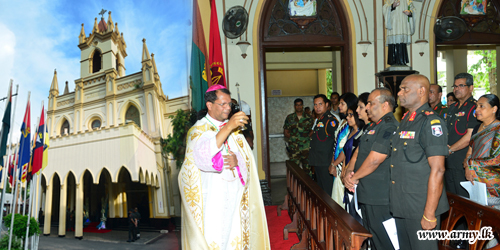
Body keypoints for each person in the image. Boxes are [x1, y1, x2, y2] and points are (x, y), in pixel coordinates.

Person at [178, 84, 270, 249]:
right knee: (216, 238)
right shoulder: (198, 130)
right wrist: (228, 127)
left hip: (235, 195)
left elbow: (246, 160)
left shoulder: (235, 131)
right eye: (223, 104)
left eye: (230, 104)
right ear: (209, 105)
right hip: (213, 198)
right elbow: (203, 158)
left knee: (234, 237)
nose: (228, 108)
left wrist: (237, 161)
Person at [390, 74, 449, 250]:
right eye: (400, 89)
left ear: (421, 91)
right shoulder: (407, 119)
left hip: (421, 206)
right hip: (402, 204)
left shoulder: (431, 122)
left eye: (404, 89)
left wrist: (429, 213)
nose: (399, 93)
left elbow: (438, 170)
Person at [343, 88, 398, 250]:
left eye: (371, 103)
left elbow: (375, 159)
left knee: (384, 241)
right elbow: (359, 152)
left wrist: (353, 178)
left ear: (385, 105)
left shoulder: (389, 126)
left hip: (380, 196)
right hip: (368, 193)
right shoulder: (374, 126)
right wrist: (349, 172)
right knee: (372, 239)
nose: (367, 108)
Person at [446, 73, 479, 198]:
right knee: (452, 200)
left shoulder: (474, 107)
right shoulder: (452, 107)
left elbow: (469, 137)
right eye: (454, 86)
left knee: (465, 201)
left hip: (462, 163)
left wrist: (449, 150)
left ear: (470, 88)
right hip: (449, 162)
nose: (456, 89)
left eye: (461, 86)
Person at [465, 94, 500, 197]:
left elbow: (497, 159)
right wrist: (467, 167)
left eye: (481, 106)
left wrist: (471, 164)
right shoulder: (476, 128)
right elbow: (469, 152)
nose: (477, 110)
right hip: (474, 179)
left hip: (493, 182)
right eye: (476, 106)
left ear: (494, 109)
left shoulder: (498, 129)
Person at [330, 93, 358, 207]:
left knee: (341, 199)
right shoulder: (343, 121)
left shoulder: (352, 125)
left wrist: (335, 164)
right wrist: (333, 163)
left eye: (343, 103)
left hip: (344, 164)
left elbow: (346, 148)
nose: (339, 105)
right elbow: (336, 144)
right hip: (338, 162)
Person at [309, 94, 339, 196]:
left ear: (327, 104)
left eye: (320, 104)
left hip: (326, 162)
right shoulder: (319, 119)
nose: (317, 107)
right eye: (315, 105)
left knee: (328, 191)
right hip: (318, 161)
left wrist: (333, 163)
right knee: (321, 191)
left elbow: (337, 142)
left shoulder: (330, 120)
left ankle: (330, 212)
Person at [284, 98, 314, 176]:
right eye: (297, 105)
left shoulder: (309, 117)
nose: (299, 107)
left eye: (300, 105)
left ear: (303, 105)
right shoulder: (290, 117)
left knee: (307, 168)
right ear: (294, 106)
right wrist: (294, 138)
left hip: (306, 148)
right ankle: (295, 187)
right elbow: (286, 132)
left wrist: (306, 138)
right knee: (294, 169)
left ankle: (308, 186)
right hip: (294, 148)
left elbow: (313, 130)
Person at [383, 0, 416, 66]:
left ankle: (402, 60)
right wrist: (392, 6)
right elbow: (385, 8)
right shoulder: (390, 1)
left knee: (401, 41)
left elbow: (413, 10)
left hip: (403, 25)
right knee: (393, 42)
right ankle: (393, 61)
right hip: (393, 26)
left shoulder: (408, 1)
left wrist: (410, 13)